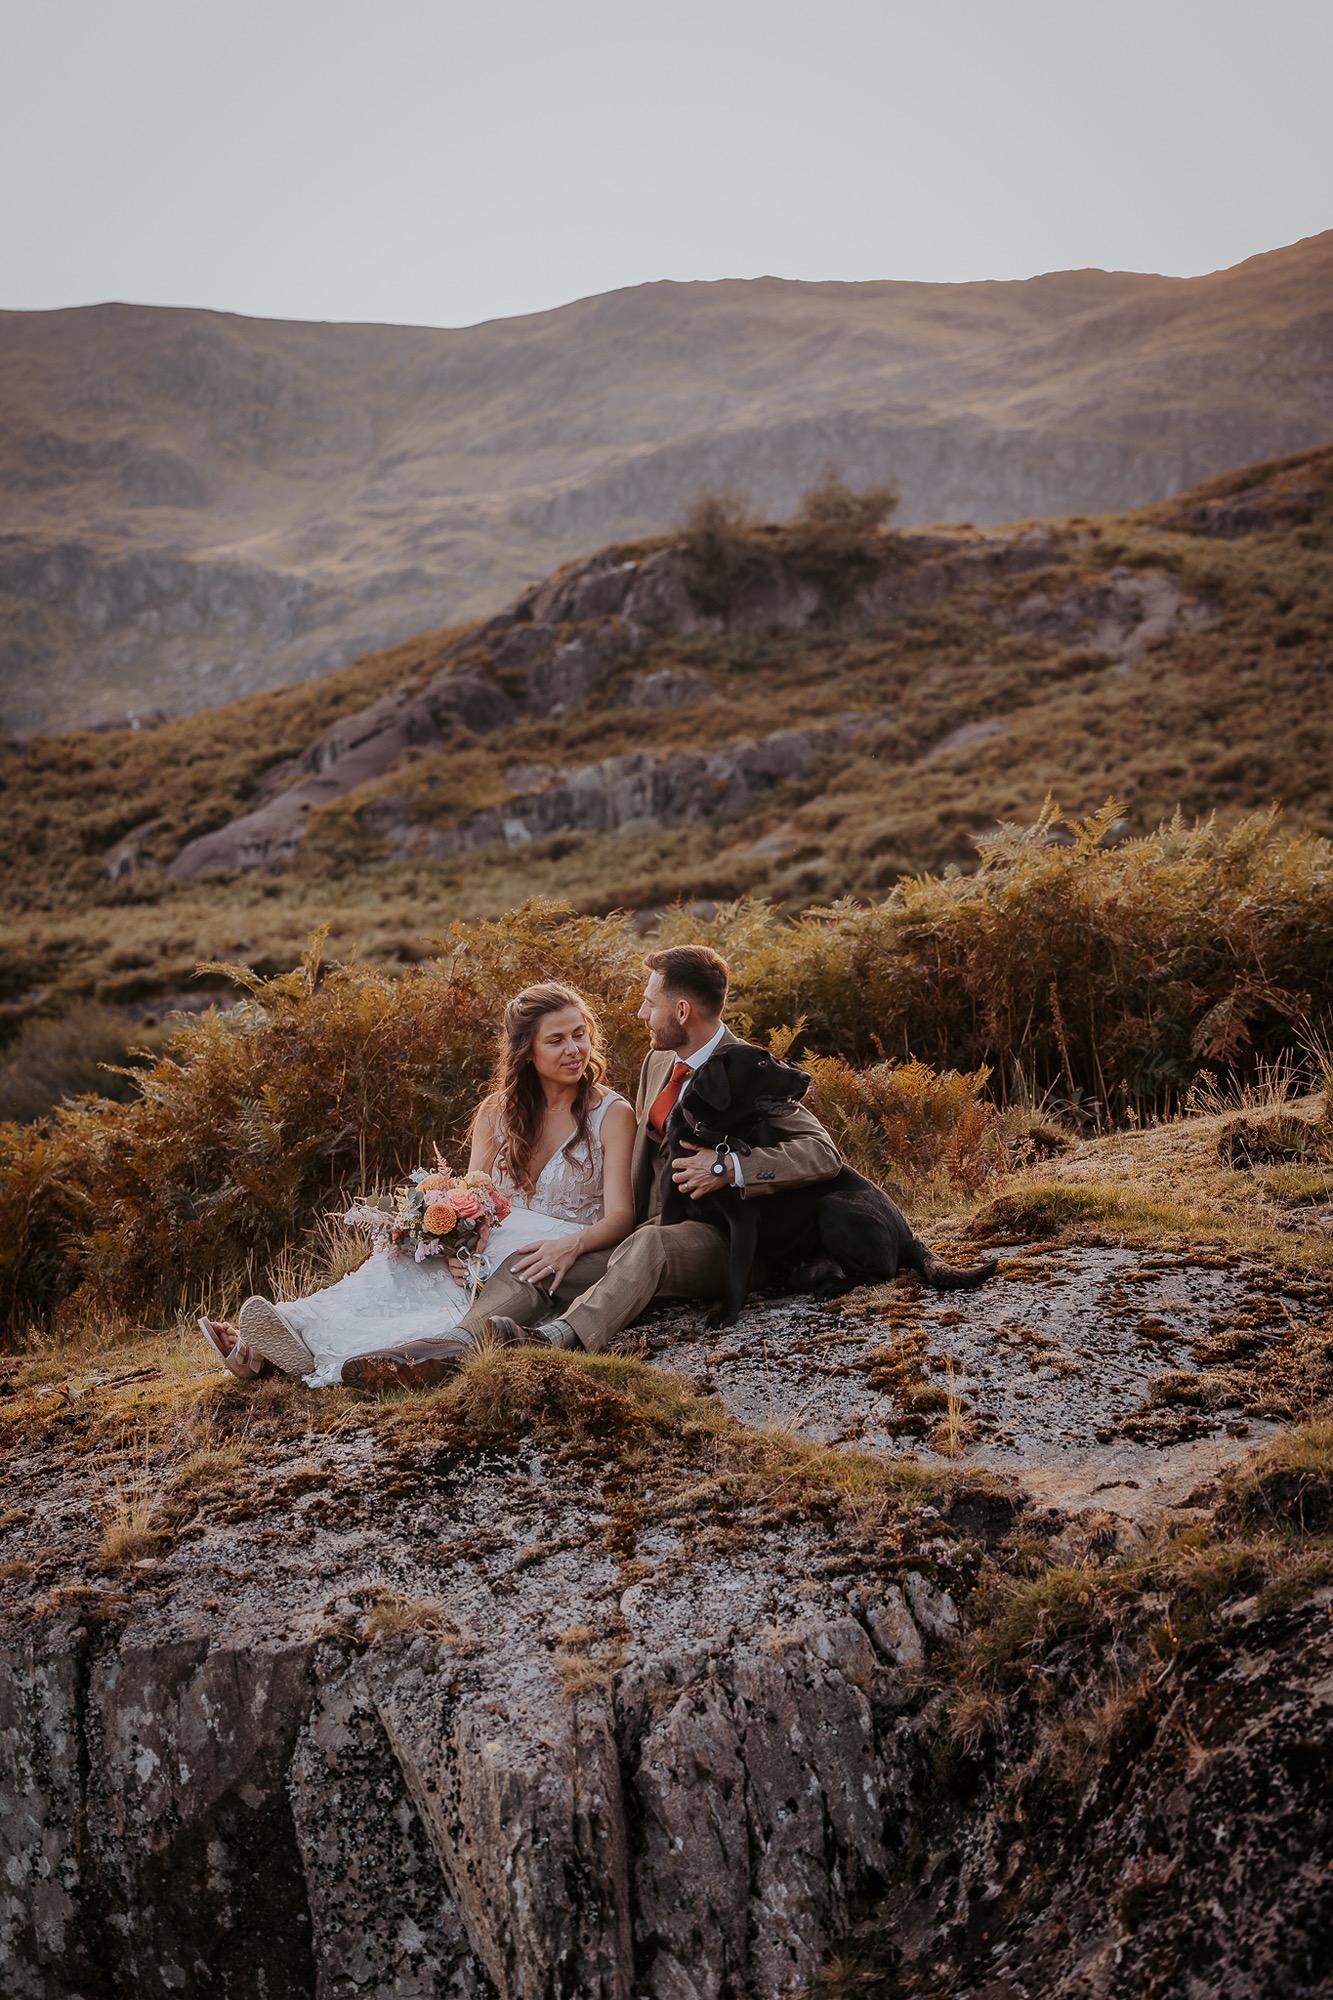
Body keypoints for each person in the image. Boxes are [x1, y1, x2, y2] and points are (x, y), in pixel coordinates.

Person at [342, 944, 843, 1386]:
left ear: (682, 1009)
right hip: (649, 1231)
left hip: (728, 1240)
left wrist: (727, 1167)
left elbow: (823, 1152)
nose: (642, 1012)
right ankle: (450, 1349)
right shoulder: (659, 1062)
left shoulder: (748, 1065)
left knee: (650, 1242)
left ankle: (558, 1340)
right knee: (535, 1264)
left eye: (651, 1001)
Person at [196, 983, 635, 1388]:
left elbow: (621, 1217)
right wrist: (454, 1245)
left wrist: (572, 1247)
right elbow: (474, 1195)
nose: (574, 1049)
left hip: (551, 1249)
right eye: (556, 1040)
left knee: (437, 1303)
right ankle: (282, 1331)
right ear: (527, 1052)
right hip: (488, 1244)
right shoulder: (496, 1113)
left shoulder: (611, 1114)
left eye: (580, 1035)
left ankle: (275, 1351)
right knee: (397, 1265)